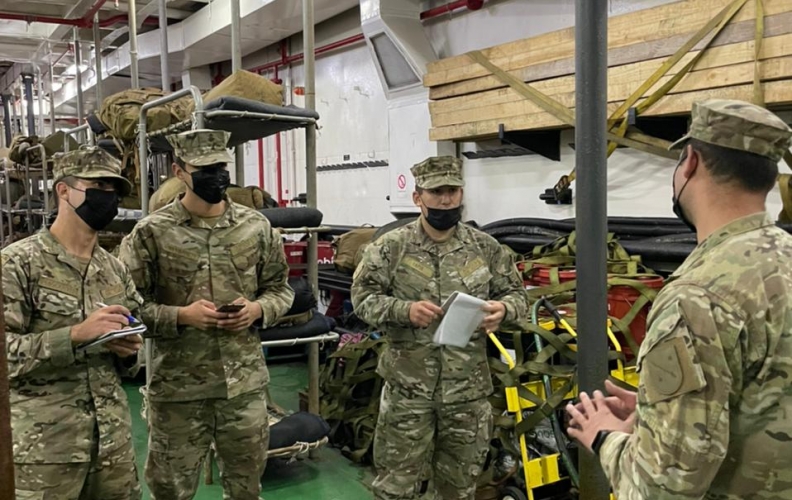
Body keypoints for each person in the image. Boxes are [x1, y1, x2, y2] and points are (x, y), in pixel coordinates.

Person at [565, 99, 792, 499]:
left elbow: (661, 489)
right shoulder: (783, 258)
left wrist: (604, 437)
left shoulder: (696, 296)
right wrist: (657, 410)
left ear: (690, 163)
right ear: (770, 179)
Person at [117, 129, 294, 500]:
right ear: (180, 172)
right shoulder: (151, 232)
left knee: (246, 487)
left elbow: (281, 290)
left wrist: (259, 310)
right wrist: (181, 316)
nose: (218, 176)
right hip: (179, 391)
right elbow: (128, 309)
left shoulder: (256, 227)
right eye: (206, 168)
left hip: (243, 389)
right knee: (171, 490)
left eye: (222, 167)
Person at [351, 156, 528, 500]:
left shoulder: (485, 248)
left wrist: (503, 310)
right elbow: (362, 299)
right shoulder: (391, 248)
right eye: (436, 192)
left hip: (467, 392)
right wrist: (404, 310)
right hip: (409, 391)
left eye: (452, 191)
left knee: (458, 488)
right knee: (396, 487)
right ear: (418, 198)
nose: (446, 200)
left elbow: (517, 295)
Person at [3, 147, 144, 499]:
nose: (108, 197)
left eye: (114, 190)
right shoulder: (17, 265)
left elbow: (134, 358)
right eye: (97, 184)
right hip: (46, 453)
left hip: (112, 451)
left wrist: (128, 351)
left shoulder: (115, 269)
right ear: (63, 191)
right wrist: (75, 336)